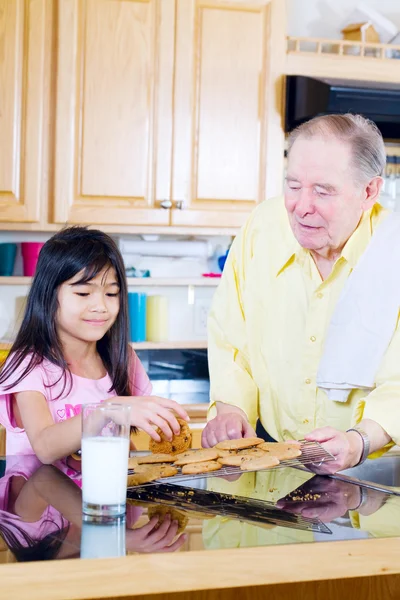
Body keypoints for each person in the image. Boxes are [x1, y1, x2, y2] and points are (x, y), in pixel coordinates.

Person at [203, 113, 399, 473]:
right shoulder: (262, 227)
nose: (301, 206)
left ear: (369, 191)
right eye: (293, 186)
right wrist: (231, 409)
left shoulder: (393, 250)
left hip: (373, 469)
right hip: (273, 459)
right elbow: (230, 332)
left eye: (323, 191)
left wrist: (359, 441)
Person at [0, 227, 188, 462]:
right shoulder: (28, 364)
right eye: (83, 293)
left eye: (111, 294)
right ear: (48, 296)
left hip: (102, 496)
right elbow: (45, 446)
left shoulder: (122, 358)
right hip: (38, 494)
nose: (100, 306)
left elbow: (120, 442)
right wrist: (108, 409)